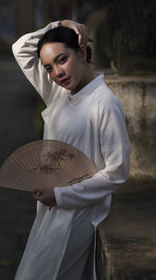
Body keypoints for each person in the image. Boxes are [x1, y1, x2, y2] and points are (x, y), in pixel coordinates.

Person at [12, 20, 130, 280]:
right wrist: (61, 24)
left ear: (82, 52)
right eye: (49, 68)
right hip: (48, 207)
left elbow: (117, 172)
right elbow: (20, 47)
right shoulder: (57, 93)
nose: (57, 72)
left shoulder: (105, 104)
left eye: (62, 59)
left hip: (77, 211)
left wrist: (62, 195)